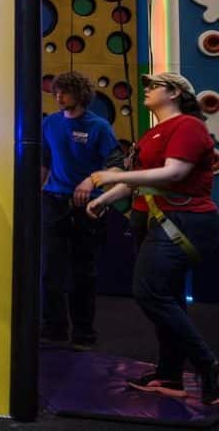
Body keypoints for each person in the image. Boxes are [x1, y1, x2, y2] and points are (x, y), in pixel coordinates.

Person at [87, 72, 219, 405]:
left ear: (174, 93)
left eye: (154, 86)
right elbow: (141, 179)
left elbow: (173, 173)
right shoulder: (154, 133)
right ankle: (171, 375)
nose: (147, 89)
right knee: (168, 298)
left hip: (183, 220)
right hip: (158, 219)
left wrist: (109, 176)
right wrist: (104, 198)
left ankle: (209, 367)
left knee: (150, 293)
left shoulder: (187, 127)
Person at [40, 71, 120, 349]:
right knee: (50, 269)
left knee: (82, 272)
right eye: (56, 92)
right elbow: (44, 162)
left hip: (87, 204)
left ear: (80, 94)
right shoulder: (49, 123)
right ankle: (54, 329)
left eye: (64, 92)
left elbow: (115, 167)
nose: (59, 97)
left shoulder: (98, 127)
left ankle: (84, 334)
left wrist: (91, 180)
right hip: (53, 200)